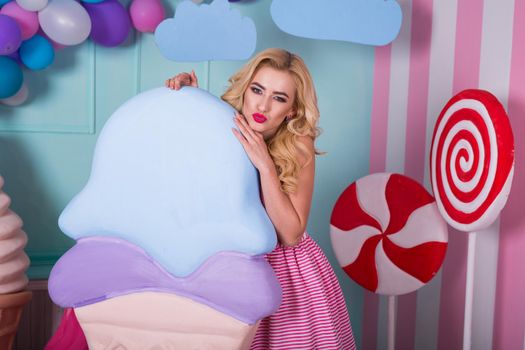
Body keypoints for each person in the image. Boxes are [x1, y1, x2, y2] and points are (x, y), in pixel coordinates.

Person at [166, 48, 356, 350]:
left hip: (286, 275)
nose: (263, 105)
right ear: (246, 89)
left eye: (279, 98)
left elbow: (291, 234)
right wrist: (190, 101)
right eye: (257, 90)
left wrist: (265, 165)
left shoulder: (298, 143)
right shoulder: (224, 125)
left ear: (291, 110)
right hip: (230, 265)